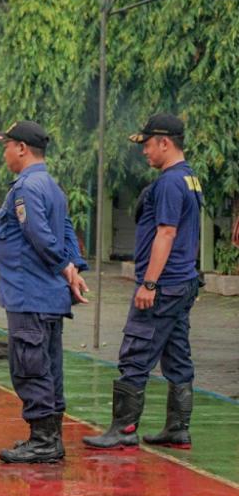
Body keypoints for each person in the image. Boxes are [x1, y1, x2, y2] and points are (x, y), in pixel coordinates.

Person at [84, 113, 203, 451]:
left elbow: (167, 232)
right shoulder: (190, 179)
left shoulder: (168, 182)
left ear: (165, 142)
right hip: (182, 283)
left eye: (148, 144)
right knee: (177, 354)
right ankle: (178, 428)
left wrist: (149, 284)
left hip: (164, 285)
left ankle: (123, 430)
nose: (145, 152)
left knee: (136, 351)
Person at [0, 120, 90, 464]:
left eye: (7, 146)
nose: (4, 152)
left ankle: (45, 441)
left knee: (30, 366)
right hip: (45, 295)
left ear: (21, 148)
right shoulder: (50, 186)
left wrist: (66, 268)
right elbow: (65, 229)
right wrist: (73, 267)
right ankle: (48, 437)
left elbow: (41, 236)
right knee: (47, 365)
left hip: (29, 293)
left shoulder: (26, 188)